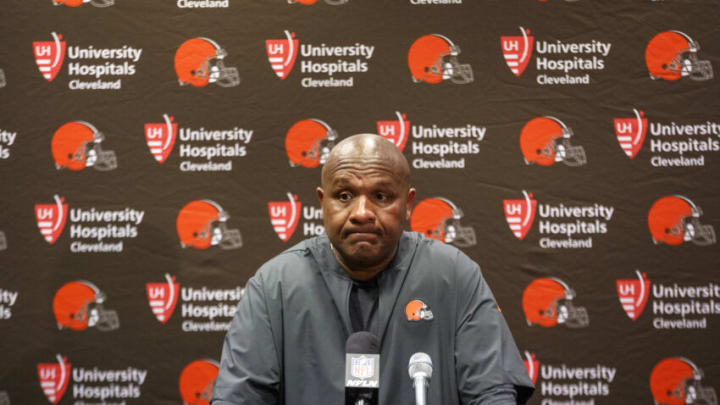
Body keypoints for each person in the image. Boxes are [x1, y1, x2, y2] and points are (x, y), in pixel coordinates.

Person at [212, 134, 534, 405]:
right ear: (323, 203)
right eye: (345, 195)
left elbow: (493, 393)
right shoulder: (274, 286)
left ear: (407, 205)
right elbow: (238, 397)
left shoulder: (454, 275)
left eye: (380, 196)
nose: (362, 213)